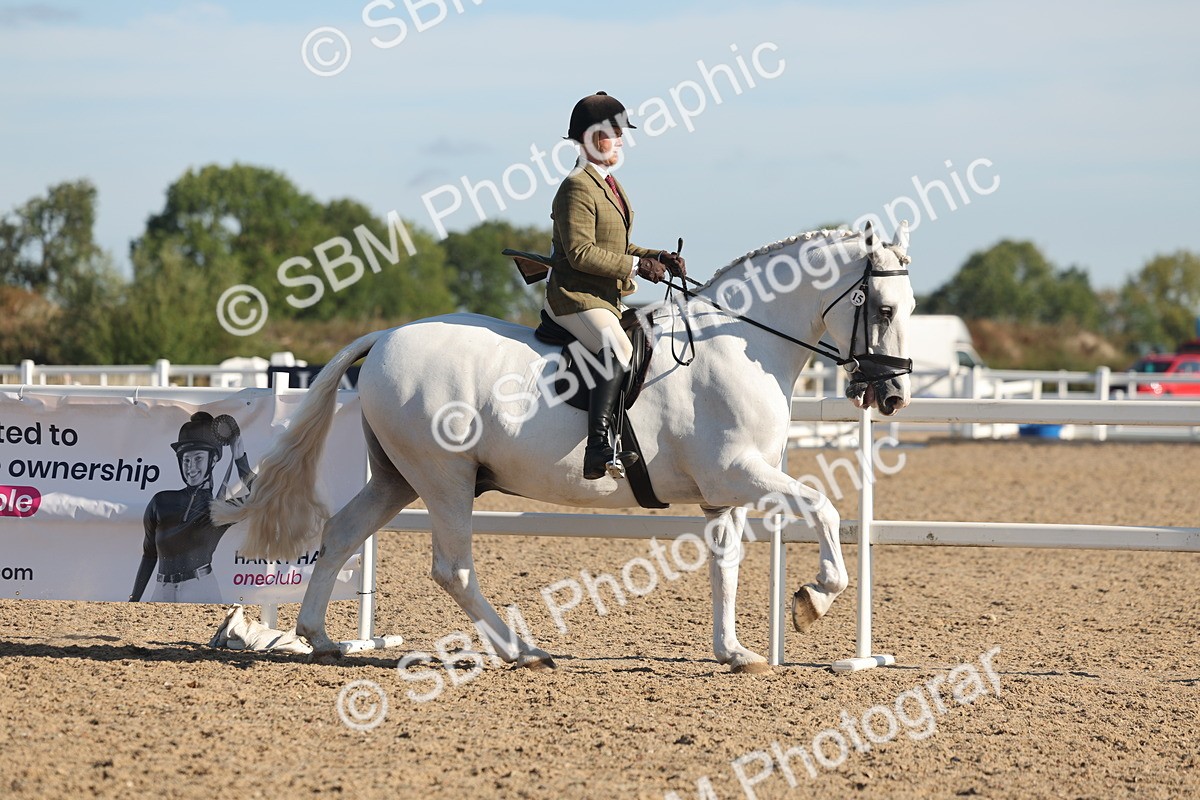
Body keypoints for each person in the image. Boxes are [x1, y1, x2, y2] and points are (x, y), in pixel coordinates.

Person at [546, 91, 686, 480]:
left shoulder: (609, 183)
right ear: (591, 138)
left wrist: (657, 255)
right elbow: (579, 253)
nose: (622, 139)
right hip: (576, 298)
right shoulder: (577, 186)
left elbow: (617, 245)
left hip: (605, 298)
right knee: (619, 348)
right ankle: (598, 447)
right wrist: (636, 266)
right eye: (614, 132)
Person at [129, 412, 255, 602]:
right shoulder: (160, 501)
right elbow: (149, 554)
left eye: (198, 459)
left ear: (212, 460)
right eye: (186, 460)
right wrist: (134, 598)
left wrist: (239, 458)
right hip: (162, 589)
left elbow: (264, 497)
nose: (190, 467)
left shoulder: (220, 510)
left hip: (201, 588)